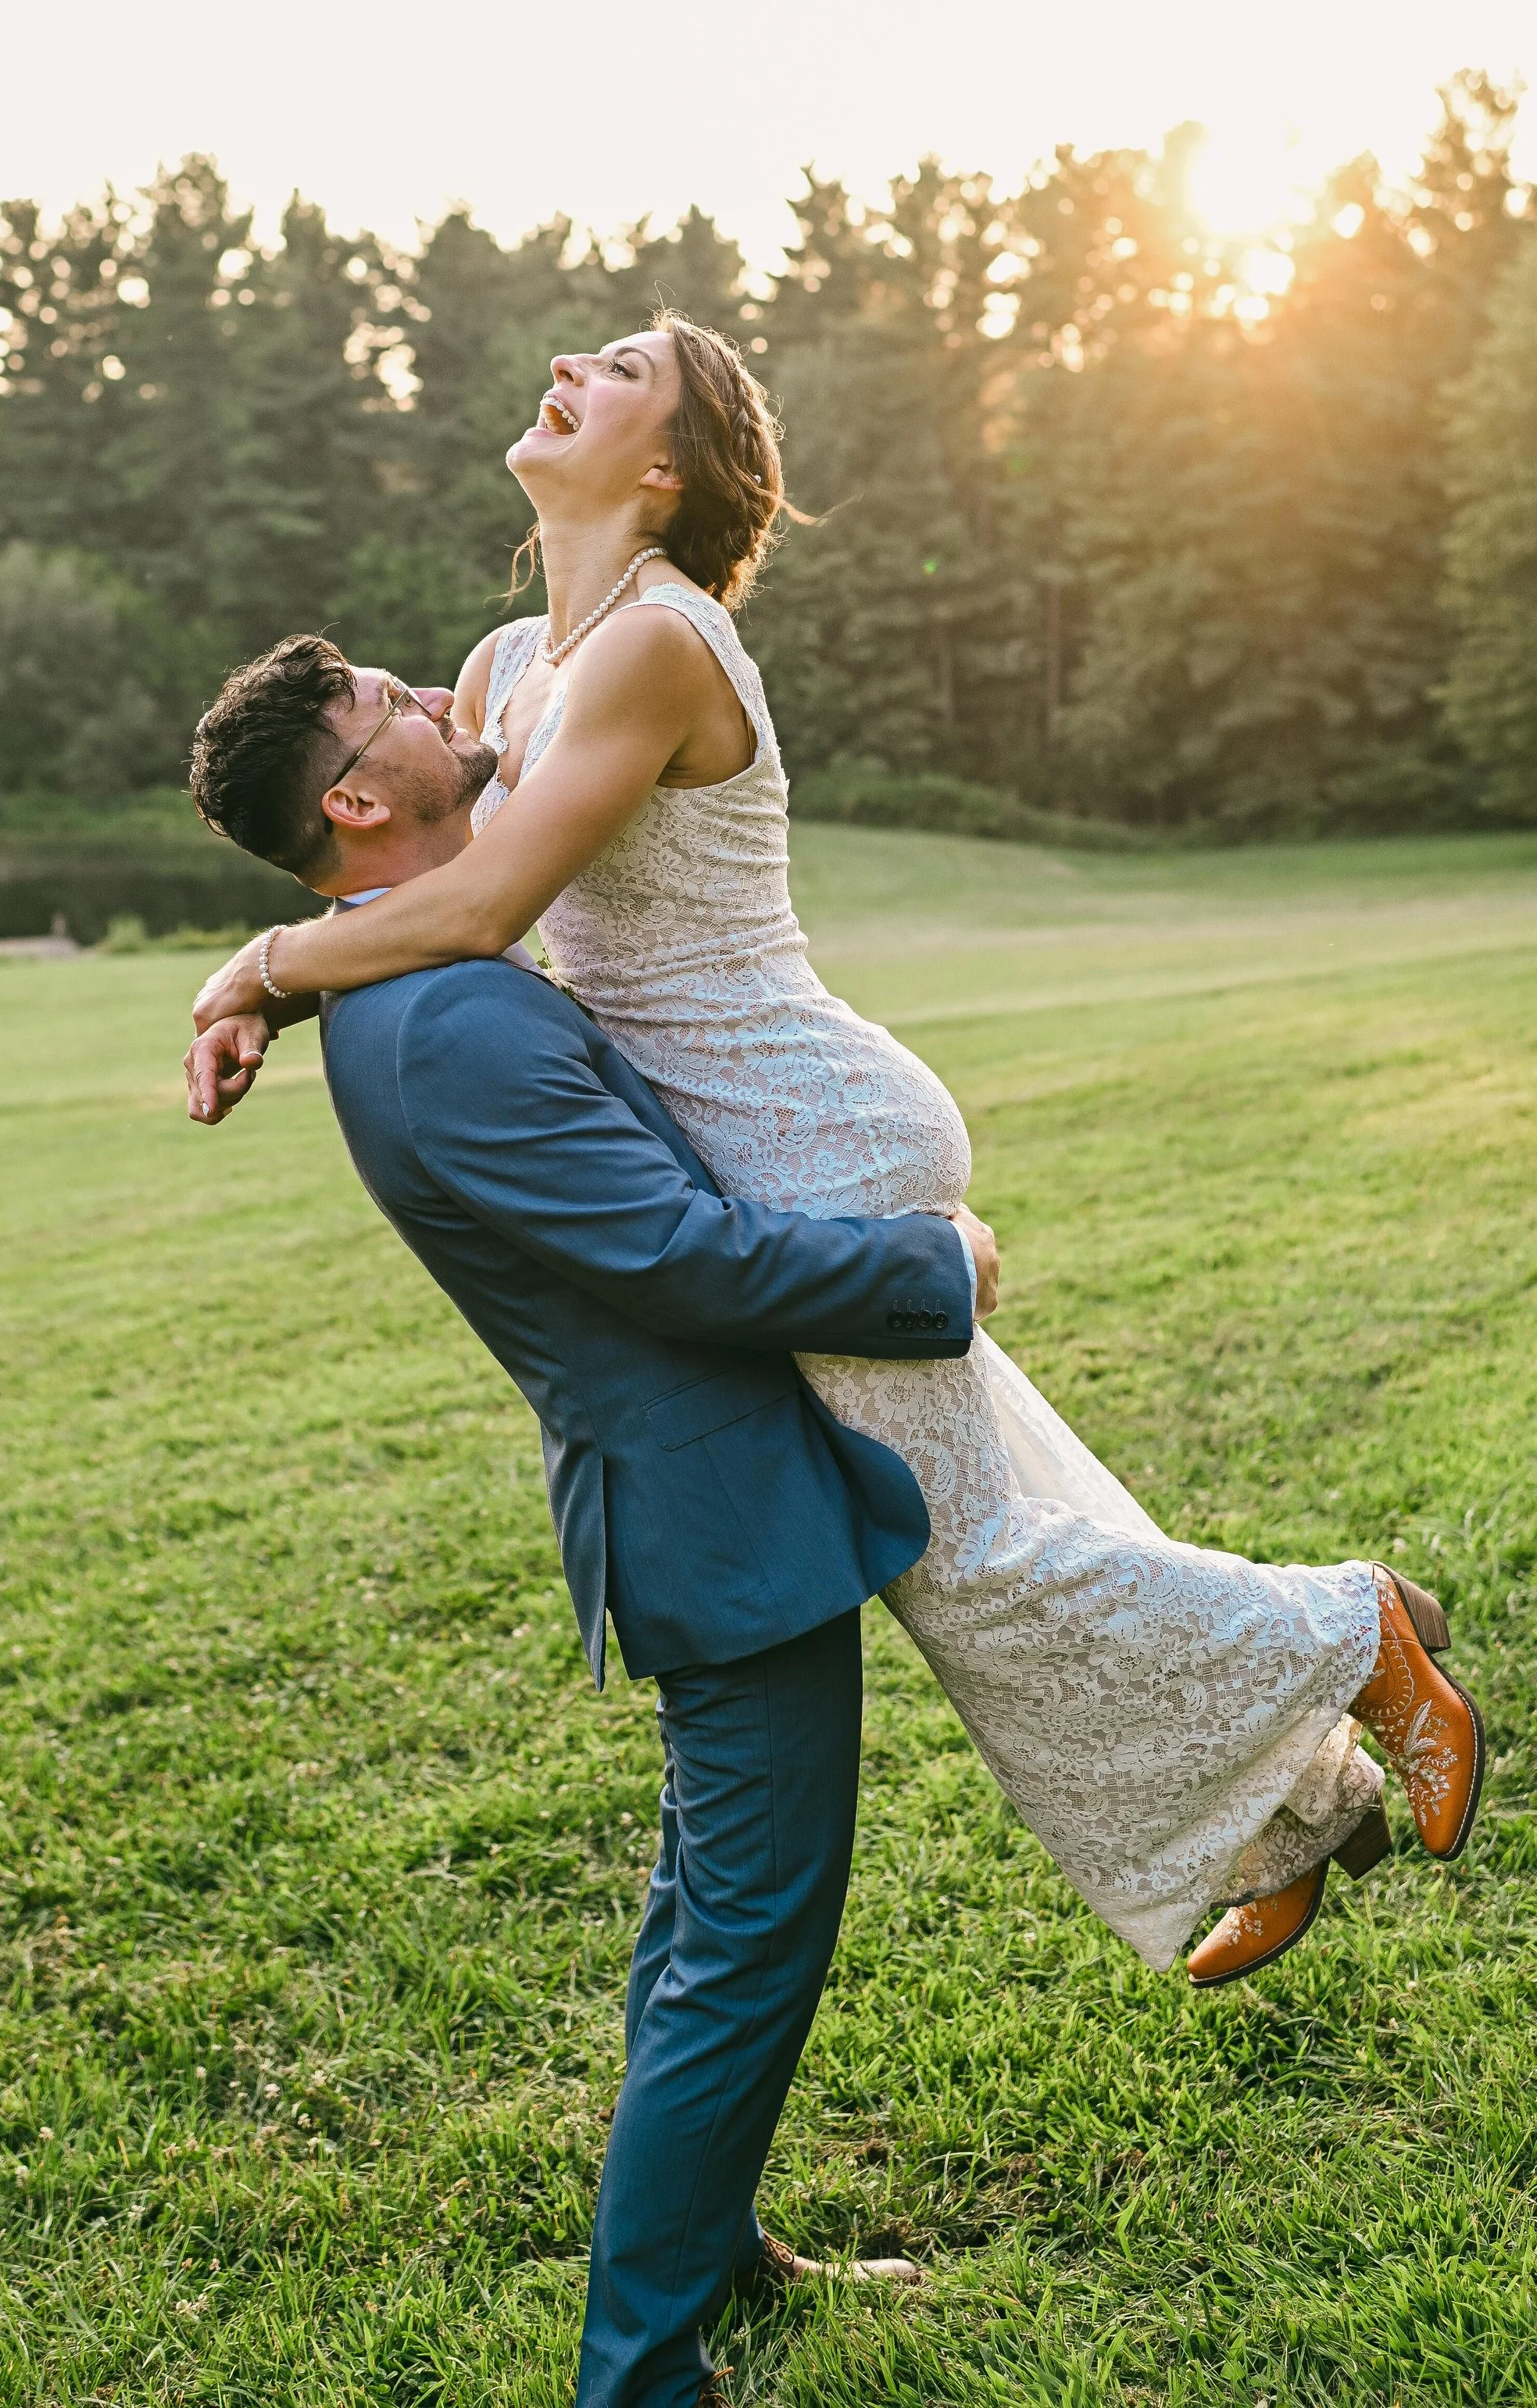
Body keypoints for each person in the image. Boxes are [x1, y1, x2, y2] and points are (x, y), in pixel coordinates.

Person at [184, 314, 1485, 2002]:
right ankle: (1289, 1814)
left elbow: (485, 906)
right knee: (1006, 1514)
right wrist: (285, 961)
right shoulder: (513, 669)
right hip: (730, 1141)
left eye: (624, 368)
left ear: (662, 469)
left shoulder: (659, 647)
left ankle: (1355, 1632)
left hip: (798, 1127)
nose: (571, 359)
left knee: (964, 1554)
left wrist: (259, 973)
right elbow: (412, 862)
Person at [187, 629, 999, 2407]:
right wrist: (925, 1268)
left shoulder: (420, 974)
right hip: (710, 1514)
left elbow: (443, 920)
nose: (432, 694)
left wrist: (260, 970)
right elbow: (674, 1258)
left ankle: (719, 2263)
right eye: (392, 709)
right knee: (743, 1946)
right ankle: (637, 2377)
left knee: (703, 1912)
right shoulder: (450, 1020)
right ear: (350, 798)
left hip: (697, 1498)